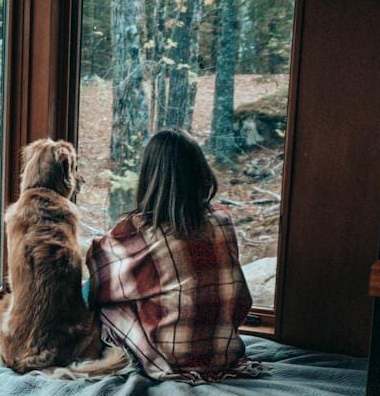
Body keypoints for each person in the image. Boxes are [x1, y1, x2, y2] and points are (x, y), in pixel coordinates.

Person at [87, 128, 258, 382]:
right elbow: (241, 299)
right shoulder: (222, 220)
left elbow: (97, 281)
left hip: (171, 358)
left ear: (150, 177)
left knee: (104, 300)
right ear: (200, 172)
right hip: (224, 352)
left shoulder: (139, 231)